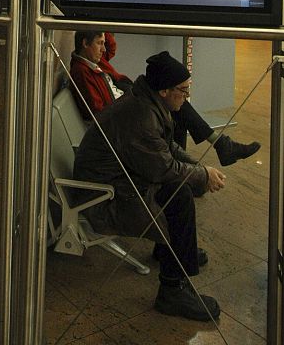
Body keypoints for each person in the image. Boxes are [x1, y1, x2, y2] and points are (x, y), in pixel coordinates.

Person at [74, 50, 226, 321]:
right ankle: (172, 289)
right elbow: (163, 167)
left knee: (178, 190)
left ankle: (173, 252)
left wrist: (201, 170)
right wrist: (202, 176)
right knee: (177, 198)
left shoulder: (146, 102)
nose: (187, 96)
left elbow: (166, 149)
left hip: (118, 182)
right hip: (103, 199)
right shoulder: (141, 117)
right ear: (165, 90)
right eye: (183, 90)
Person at [70, 31, 260, 167]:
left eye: (103, 42)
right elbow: (99, 110)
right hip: (125, 110)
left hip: (129, 96)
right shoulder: (82, 70)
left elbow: (111, 48)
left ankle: (200, 161)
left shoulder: (96, 60)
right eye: (99, 43)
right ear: (85, 44)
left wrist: (102, 21)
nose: (104, 48)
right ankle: (215, 149)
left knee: (177, 105)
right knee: (176, 103)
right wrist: (126, 104)